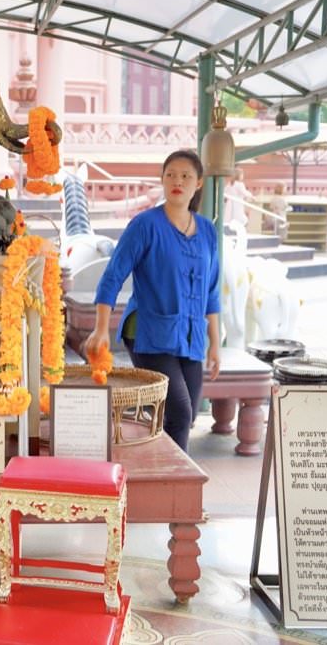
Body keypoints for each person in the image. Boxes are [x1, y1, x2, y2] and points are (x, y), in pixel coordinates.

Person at [85, 150, 221, 453]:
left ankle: (162, 474)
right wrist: (101, 328)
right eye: (171, 174)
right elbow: (113, 276)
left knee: (184, 418)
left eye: (186, 176)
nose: (177, 181)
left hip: (191, 338)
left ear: (198, 183)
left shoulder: (208, 231)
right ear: (162, 179)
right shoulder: (145, 225)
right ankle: (178, 487)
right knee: (180, 411)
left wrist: (215, 342)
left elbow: (212, 290)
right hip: (148, 333)